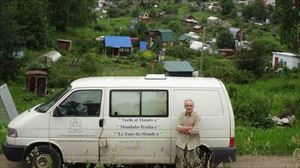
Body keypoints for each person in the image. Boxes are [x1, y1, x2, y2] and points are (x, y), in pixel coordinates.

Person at [176, 99, 201, 168]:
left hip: (192, 142)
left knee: (191, 162)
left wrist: (183, 129)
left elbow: (196, 130)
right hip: (180, 141)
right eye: (187, 105)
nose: (189, 107)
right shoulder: (181, 115)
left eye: (190, 105)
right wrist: (190, 128)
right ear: (185, 106)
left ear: (193, 106)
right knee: (179, 160)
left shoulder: (197, 116)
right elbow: (177, 127)